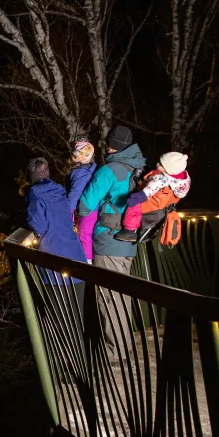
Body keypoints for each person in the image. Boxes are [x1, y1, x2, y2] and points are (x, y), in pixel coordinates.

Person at [77, 125, 146, 362]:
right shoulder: (137, 167)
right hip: (129, 240)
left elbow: (85, 205)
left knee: (108, 298)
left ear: (111, 145)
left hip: (109, 239)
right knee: (120, 295)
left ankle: (114, 354)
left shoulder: (109, 170)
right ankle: (123, 346)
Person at [24, 157, 88, 307]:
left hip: (54, 263)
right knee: (77, 314)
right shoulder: (59, 189)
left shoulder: (34, 193)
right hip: (76, 257)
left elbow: (38, 224)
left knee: (59, 316)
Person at [115, 152, 191, 242]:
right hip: (163, 208)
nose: (157, 164)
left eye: (161, 164)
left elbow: (150, 190)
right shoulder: (182, 180)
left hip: (152, 205)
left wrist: (139, 197)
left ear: (169, 169)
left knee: (134, 206)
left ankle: (130, 230)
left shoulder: (161, 179)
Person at [67, 140, 97, 263]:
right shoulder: (93, 169)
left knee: (84, 233)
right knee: (87, 233)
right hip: (94, 206)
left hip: (87, 208)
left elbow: (75, 193)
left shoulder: (81, 173)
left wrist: (68, 210)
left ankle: (87, 262)